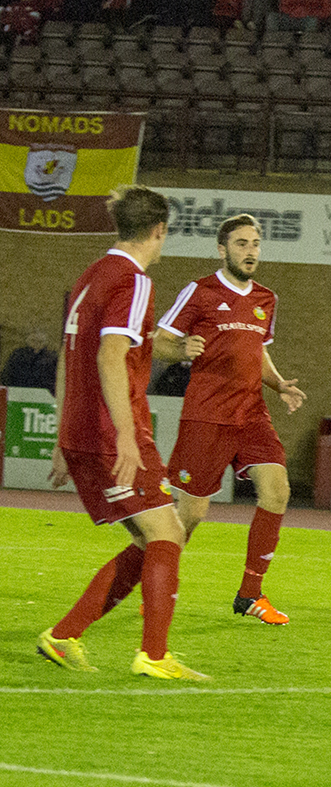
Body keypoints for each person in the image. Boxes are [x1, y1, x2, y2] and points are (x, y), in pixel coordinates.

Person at [38, 184, 208, 681]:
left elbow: (70, 360)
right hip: (112, 433)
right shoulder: (133, 281)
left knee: (151, 537)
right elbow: (109, 354)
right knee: (169, 531)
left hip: (81, 430)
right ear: (158, 231)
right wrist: (128, 438)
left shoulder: (91, 276)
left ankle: (65, 636)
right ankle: (154, 656)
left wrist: (59, 437)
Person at [157, 212, 307, 626]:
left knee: (277, 491)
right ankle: (154, 580)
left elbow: (256, 350)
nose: (250, 251)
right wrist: (180, 350)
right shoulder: (200, 291)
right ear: (222, 249)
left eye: (255, 244)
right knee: (191, 514)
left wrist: (278, 385)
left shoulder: (266, 299)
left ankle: (250, 594)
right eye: (241, 244)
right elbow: (160, 341)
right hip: (207, 415)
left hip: (252, 412)